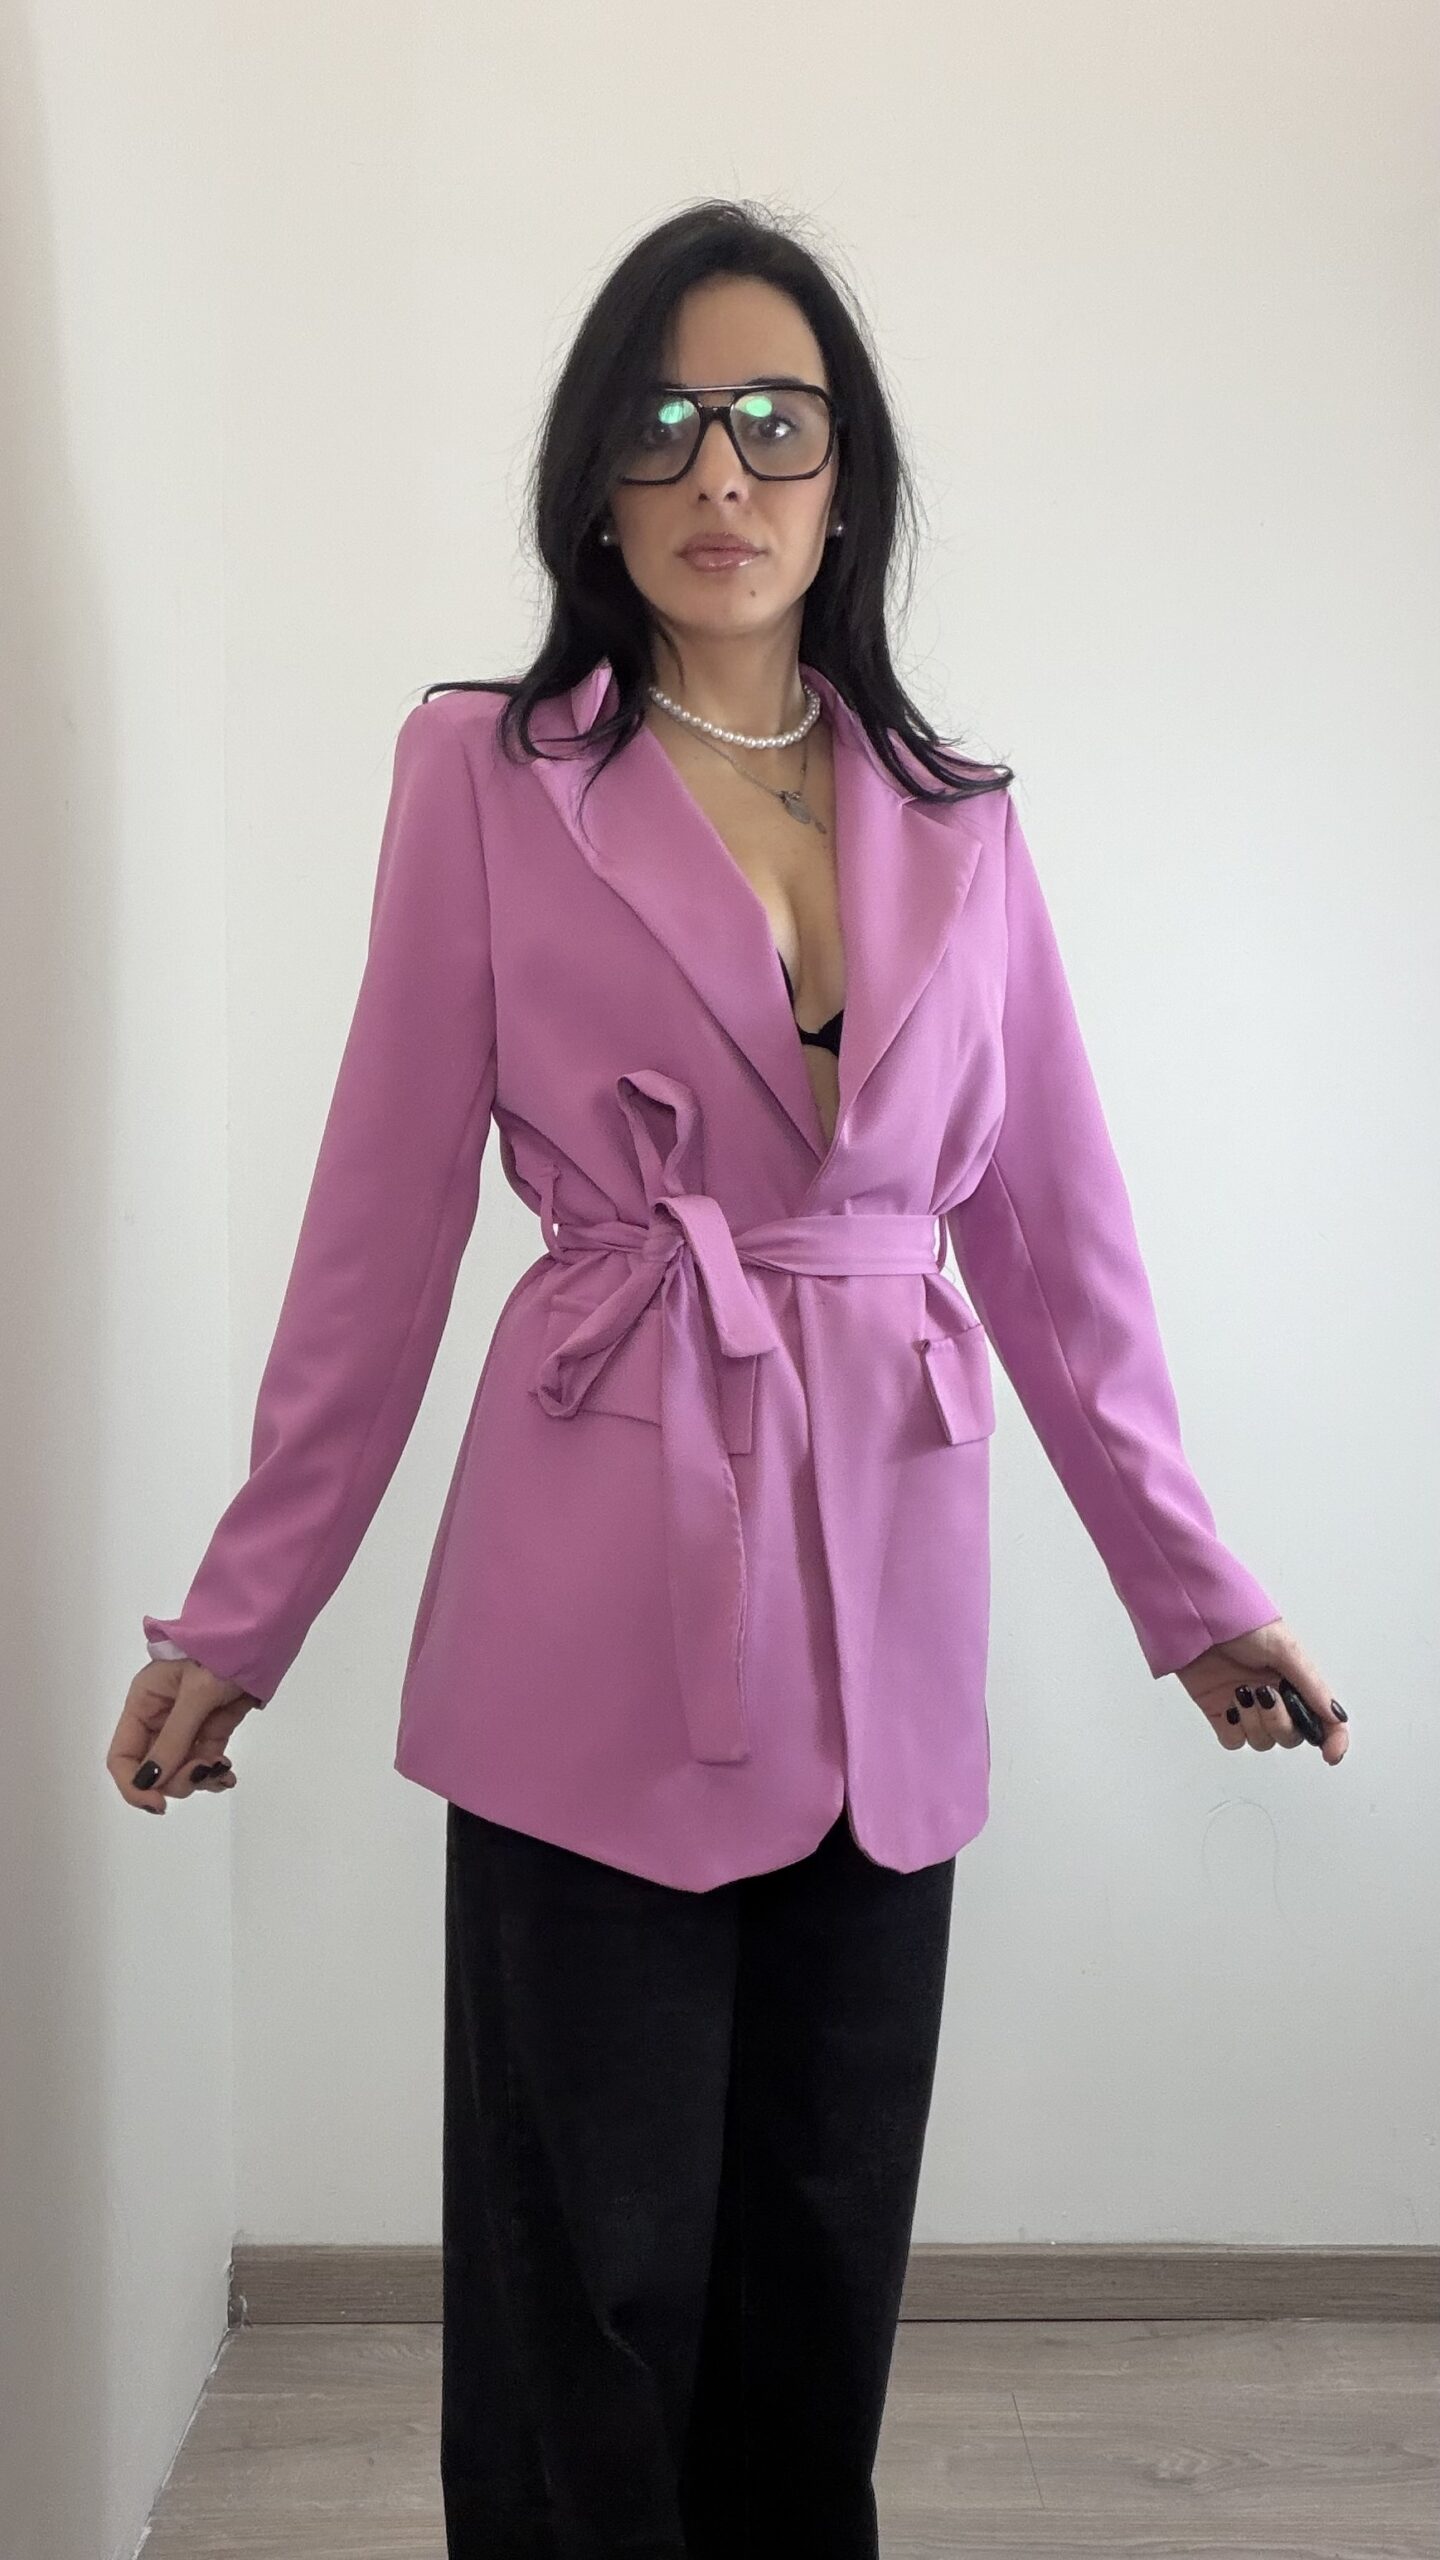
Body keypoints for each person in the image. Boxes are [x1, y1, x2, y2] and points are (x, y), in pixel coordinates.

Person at [107, 199, 1349, 2559]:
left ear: (845, 477)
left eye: (776, 419)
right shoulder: (487, 774)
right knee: (587, 2299)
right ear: (594, 479)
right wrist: (241, 1613)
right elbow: (378, 1232)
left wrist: (1194, 1590)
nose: (719, 468)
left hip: (890, 1620)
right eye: (664, 420)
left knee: (815, 2279)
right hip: (595, 1611)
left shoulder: (962, 820)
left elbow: (1056, 1245)